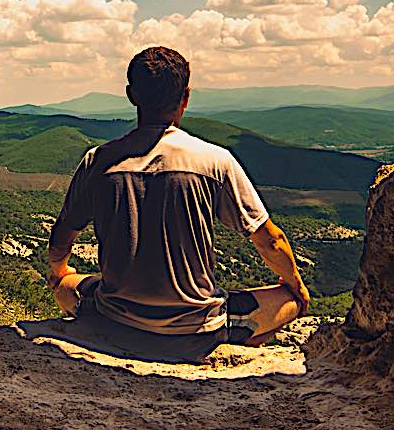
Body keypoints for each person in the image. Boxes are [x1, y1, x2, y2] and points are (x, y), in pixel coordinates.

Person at [46, 46, 309, 347]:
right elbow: (270, 241)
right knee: (288, 298)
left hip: (115, 321)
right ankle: (240, 335)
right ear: (186, 96)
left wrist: (60, 271)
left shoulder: (98, 161)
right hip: (195, 331)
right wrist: (296, 285)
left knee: (65, 284)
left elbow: (60, 240)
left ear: (132, 95)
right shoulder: (214, 161)